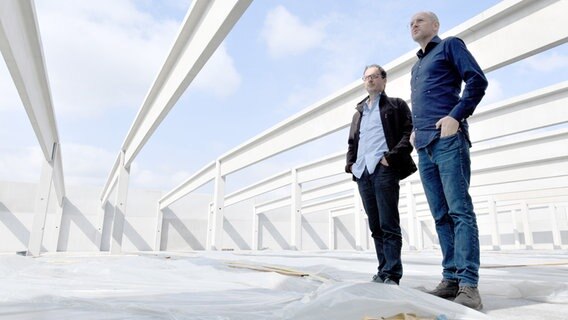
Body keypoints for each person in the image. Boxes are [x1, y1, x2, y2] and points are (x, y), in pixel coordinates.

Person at [409, 11, 488, 310]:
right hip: (424, 146)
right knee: (440, 215)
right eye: (410, 23)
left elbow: (477, 81)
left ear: (435, 26)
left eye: (419, 20)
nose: (413, 25)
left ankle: (469, 284)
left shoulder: (450, 45)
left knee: (459, 211)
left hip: (447, 140)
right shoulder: (416, 67)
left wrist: (456, 116)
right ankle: (451, 279)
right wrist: (415, 133)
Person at [345, 64, 416, 286]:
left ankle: (392, 274)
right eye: (366, 77)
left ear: (384, 80)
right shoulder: (359, 113)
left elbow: (409, 132)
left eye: (375, 76)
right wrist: (350, 165)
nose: (370, 80)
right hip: (363, 172)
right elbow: (352, 142)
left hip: (383, 168)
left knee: (388, 223)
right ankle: (383, 269)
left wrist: (391, 158)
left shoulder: (395, 105)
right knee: (375, 225)